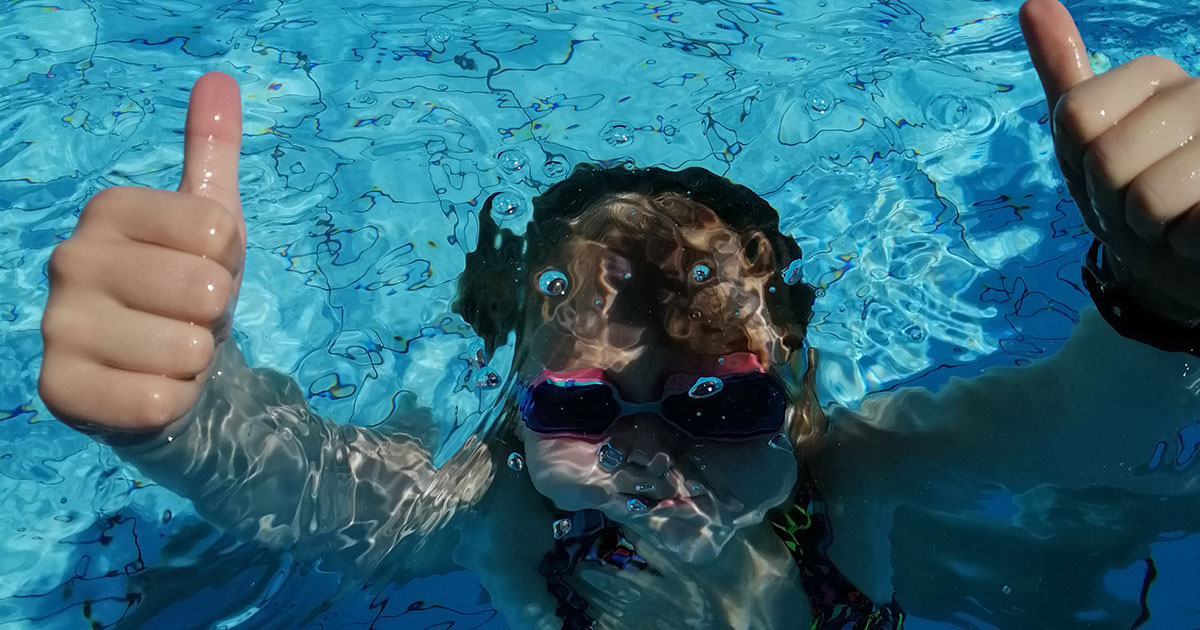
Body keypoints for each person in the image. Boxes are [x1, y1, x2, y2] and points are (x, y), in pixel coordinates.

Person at [36, 0, 1200, 628]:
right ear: (508, 400)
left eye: (724, 400)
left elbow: (1074, 426)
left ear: (794, 388)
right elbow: (306, 486)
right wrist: (184, 415)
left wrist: (1160, 299)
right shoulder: (489, 507)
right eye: (579, 402)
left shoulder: (861, 473)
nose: (651, 454)